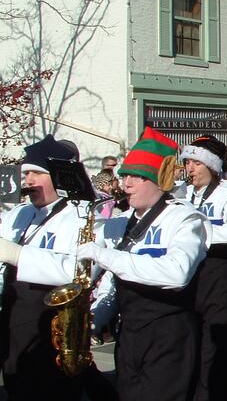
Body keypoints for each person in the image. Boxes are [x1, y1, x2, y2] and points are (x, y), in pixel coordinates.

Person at [76, 127, 211, 400]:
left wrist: (105, 255)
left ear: (157, 181)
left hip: (169, 336)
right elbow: (114, 280)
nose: (126, 184)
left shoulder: (185, 219)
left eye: (136, 177)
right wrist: (93, 318)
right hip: (129, 335)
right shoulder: (120, 223)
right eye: (125, 176)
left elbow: (177, 273)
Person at [0, 135, 116, 400]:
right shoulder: (19, 213)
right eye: (25, 173)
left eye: (36, 174)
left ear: (57, 176)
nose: (27, 181)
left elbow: (78, 273)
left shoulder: (83, 215)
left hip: (52, 328)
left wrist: (18, 254)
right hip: (15, 323)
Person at [181, 135, 227, 401]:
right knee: (193, 348)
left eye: (196, 163)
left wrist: (199, 231)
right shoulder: (183, 193)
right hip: (189, 279)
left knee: (214, 351)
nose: (190, 169)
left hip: (218, 277)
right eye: (188, 162)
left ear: (211, 165)